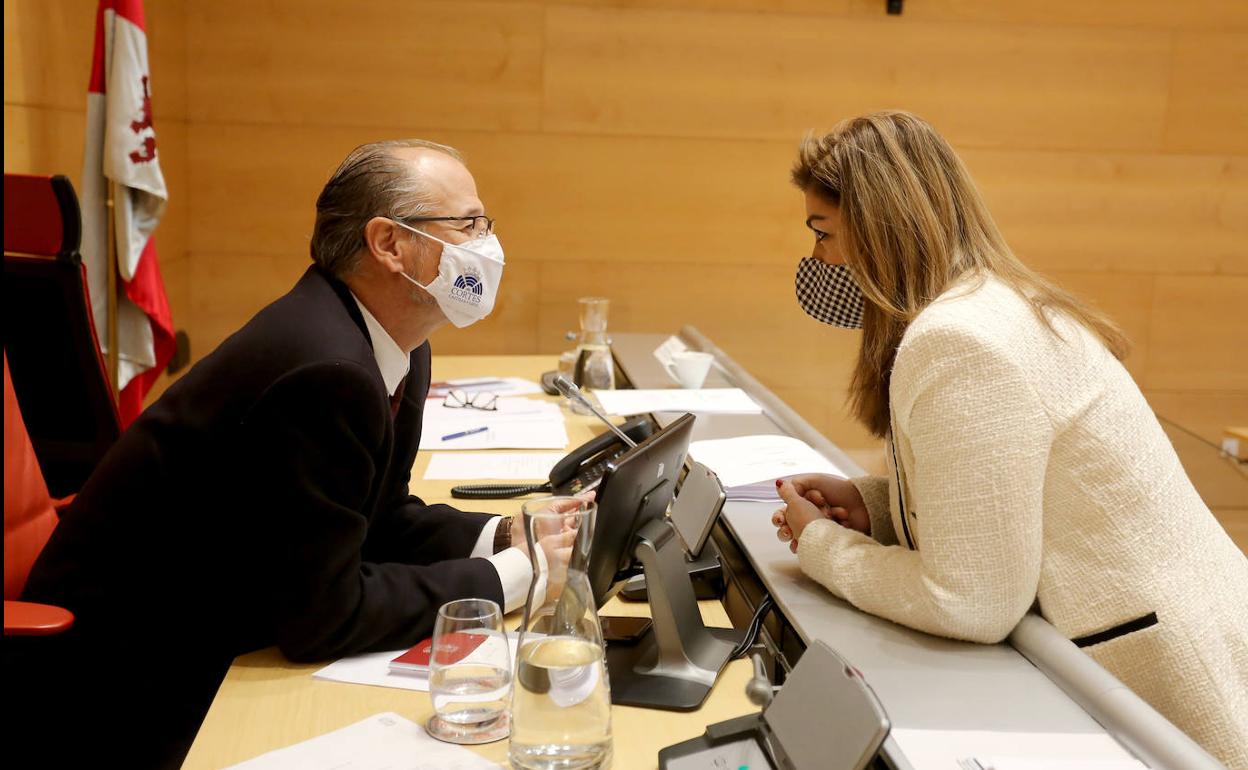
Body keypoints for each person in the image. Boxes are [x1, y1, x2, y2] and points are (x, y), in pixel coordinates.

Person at [19, 139, 568, 768]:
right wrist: (510, 580)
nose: (485, 244)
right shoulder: (324, 366)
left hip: (223, 623)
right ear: (389, 244)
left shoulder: (393, 341)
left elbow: (375, 518)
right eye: (467, 224)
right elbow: (322, 616)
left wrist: (505, 534)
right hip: (125, 682)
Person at [770, 112, 1248, 767]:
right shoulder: (987, 304)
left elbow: (972, 602)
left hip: (1163, 674)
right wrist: (874, 507)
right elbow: (1003, 494)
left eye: (823, 233)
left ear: (880, 230)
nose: (818, 257)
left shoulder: (960, 340)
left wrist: (824, 547)